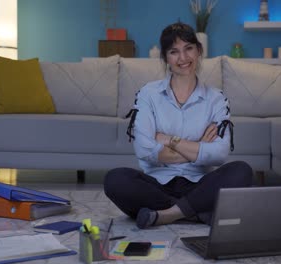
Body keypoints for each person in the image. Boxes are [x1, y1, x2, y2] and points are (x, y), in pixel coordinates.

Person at [103, 22, 253, 229]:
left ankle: (167, 214)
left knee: (241, 171)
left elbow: (219, 153)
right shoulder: (148, 94)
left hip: (199, 184)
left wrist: (168, 140)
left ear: (199, 51)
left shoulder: (216, 98)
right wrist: (199, 145)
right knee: (115, 179)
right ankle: (195, 212)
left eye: (188, 48)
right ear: (166, 58)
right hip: (157, 185)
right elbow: (144, 149)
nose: (183, 58)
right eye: (174, 52)